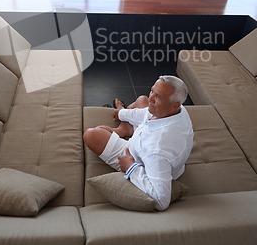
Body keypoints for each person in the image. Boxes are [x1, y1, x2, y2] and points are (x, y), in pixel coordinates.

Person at [83, 75, 193, 211]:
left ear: (174, 105)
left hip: (137, 160)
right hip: (144, 140)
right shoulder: (179, 110)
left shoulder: (156, 152)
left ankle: (123, 130)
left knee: (92, 134)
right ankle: (125, 129)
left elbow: (161, 201)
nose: (151, 98)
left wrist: (130, 167)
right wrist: (122, 113)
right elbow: (147, 113)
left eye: (158, 97)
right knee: (142, 100)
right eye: (153, 91)